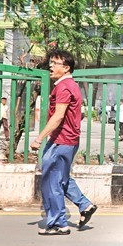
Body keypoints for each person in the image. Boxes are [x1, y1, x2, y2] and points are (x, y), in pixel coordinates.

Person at [30, 49, 98, 235]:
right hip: (66, 140)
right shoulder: (68, 85)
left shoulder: (63, 87)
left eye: (55, 63)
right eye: (51, 62)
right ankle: (85, 205)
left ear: (66, 68)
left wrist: (39, 138)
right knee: (60, 178)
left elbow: (58, 116)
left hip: (62, 140)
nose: (51, 66)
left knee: (52, 181)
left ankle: (59, 223)